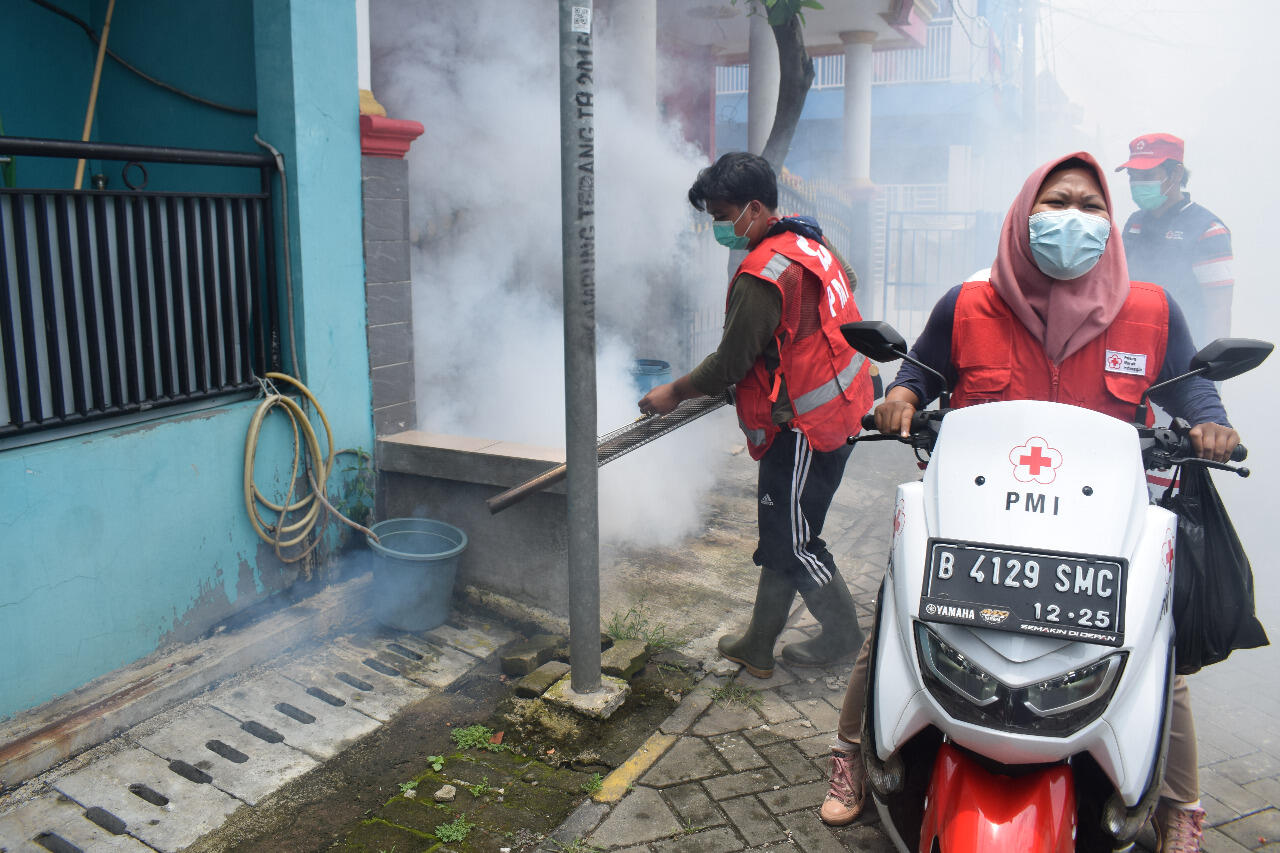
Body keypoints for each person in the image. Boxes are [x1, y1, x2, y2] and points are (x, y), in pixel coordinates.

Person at [820, 152, 1238, 853]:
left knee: (1158, 653)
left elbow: (1194, 389)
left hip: (1098, 534)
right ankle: (851, 758)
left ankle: (1179, 805)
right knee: (893, 619)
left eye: (1089, 206)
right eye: (1057, 203)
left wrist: (1210, 423)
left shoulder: (1151, 310)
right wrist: (899, 397)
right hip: (979, 526)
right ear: (1023, 215)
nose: (1072, 219)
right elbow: (919, 369)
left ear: (1111, 221)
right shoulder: (968, 302)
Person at [638, 151, 874, 679]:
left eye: (722, 216)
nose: (720, 227)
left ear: (751, 208)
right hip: (841, 408)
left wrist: (674, 392)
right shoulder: (809, 242)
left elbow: (729, 362)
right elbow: (848, 281)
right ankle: (758, 644)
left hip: (802, 431)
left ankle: (843, 635)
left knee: (792, 540)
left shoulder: (763, 272)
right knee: (784, 528)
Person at [1117, 133, 1234, 348]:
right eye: (1133, 176)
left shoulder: (1208, 230)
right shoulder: (1135, 223)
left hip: (1184, 355)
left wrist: (1212, 373)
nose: (1137, 184)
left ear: (1176, 173)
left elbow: (1219, 309)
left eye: (1147, 175)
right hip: (1134, 351)